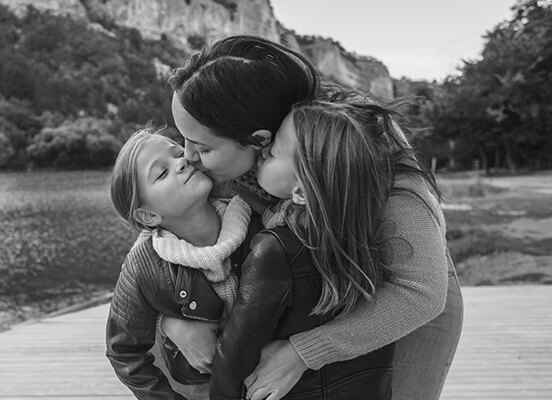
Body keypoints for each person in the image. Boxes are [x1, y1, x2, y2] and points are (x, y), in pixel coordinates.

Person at [164, 35, 463, 400]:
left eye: (202, 146)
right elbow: (158, 240)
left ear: (260, 142)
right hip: (309, 295)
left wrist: (306, 352)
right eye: (184, 138)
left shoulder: (361, 145)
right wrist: (173, 318)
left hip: (401, 298)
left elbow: (422, 293)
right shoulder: (224, 155)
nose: (187, 156)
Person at [105, 127, 259, 399]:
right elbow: (124, 350)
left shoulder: (258, 220)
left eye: (178, 153)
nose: (182, 162)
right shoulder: (145, 265)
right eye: (161, 173)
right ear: (149, 216)